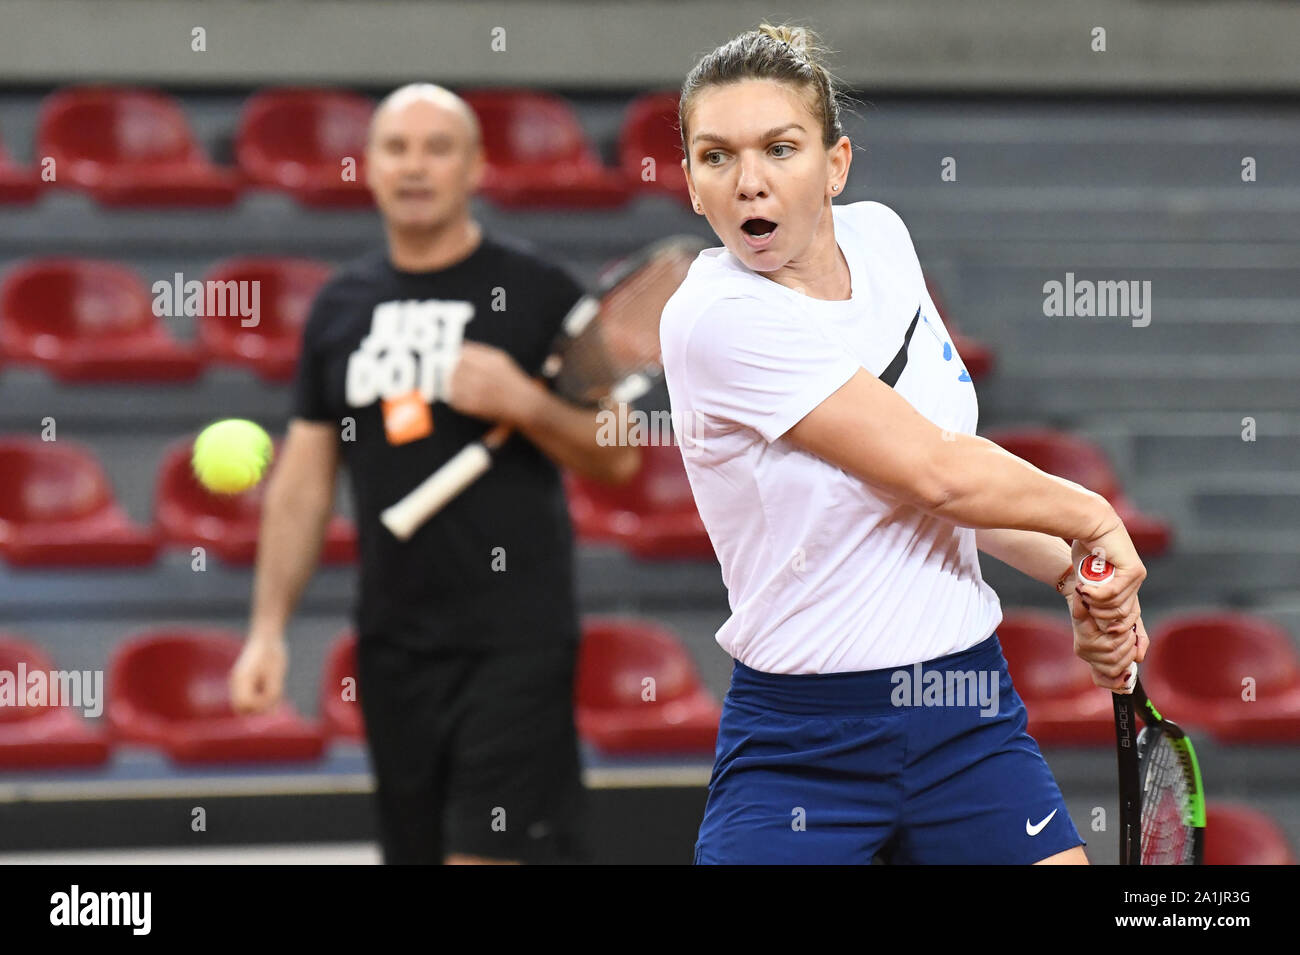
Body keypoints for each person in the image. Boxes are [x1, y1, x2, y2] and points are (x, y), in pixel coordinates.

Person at [660, 24, 1147, 865]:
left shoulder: (882, 239)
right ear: (693, 185)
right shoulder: (716, 320)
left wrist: (1068, 568)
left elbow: (924, 480)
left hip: (965, 713)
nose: (749, 182)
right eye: (716, 157)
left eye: (780, 149)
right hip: (803, 740)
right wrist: (1091, 516)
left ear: (836, 165)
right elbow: (939, 472)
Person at [228, 83, 639, 865]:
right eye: (397, 148)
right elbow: (305, 483)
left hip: (516, 640)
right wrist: (267, 631)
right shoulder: (339, 309)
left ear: (476, 167)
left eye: (437, 148)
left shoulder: (539, 292)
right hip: (393, 647)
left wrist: (525, 402)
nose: (415, 167)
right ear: (371, 168)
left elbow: (618, 451)